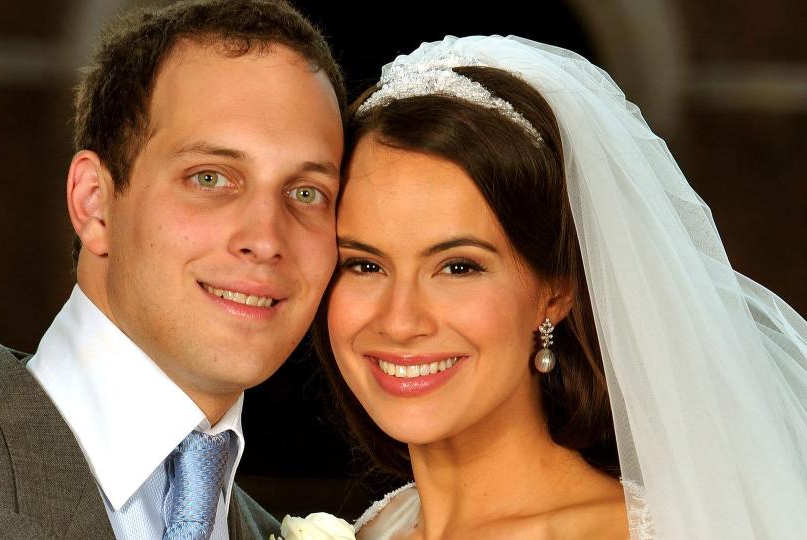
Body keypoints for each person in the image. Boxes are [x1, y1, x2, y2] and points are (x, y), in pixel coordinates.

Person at [0, 1, 344, 539]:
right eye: (210, 178)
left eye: (306, 192)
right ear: (94, 204)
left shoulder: (264, 530)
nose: (266, 238)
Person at [314, 35, 807, 539]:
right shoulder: (376, 527)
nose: (400, 320)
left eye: (459, 267)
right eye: (364, 266)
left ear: (555, 290)